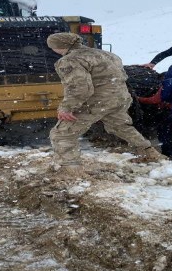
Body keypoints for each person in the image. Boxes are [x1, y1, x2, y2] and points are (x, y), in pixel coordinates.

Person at [47, 33, 164, 176]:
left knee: (62, 134)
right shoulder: (108, 54)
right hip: (120, 98)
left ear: (57, 46)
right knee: (120, 126)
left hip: (98, 101)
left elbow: (80, 87)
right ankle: (148, 153)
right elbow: (122, 77)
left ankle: (70, 170)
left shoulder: (70, 60)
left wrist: (67, 107)